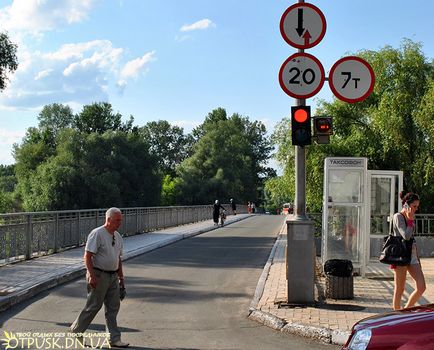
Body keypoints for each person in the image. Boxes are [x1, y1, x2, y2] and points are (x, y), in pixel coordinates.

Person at [70, 207, 129, 348]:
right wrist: (91, 274)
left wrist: (121, 279)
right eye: (117, 220)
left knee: (113, 307)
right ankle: (77, 330)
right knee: (94, 305)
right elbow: (88, 256)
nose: (119, 223)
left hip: (113, 276)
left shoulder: (118, 236)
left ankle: (114, 338)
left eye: (121, 220)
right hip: (98, 274)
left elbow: (118, 259)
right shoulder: (97, 234)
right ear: (108, 220)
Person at [391, 192, 426, 310]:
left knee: (421, 287)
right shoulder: (398, 217)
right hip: (400, 257)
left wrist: (418, 259)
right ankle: (395, 317)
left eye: (417, 206)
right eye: (414, 206)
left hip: (412, 256)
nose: (416, 209)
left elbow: (411, 239)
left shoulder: (410, 216)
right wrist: (410, 220)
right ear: (406, 205)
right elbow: (405, 236)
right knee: (399, 289)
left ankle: (406, 310)